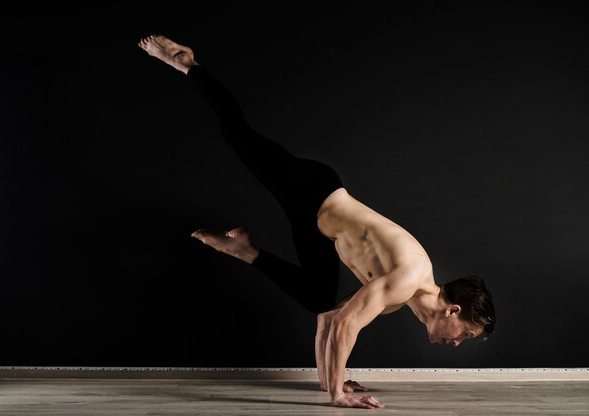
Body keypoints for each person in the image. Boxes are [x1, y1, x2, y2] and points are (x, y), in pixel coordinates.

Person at [138, 34, 497, 410]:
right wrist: (338, 396)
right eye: (465, 334)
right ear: (453, 311)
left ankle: (245, 249)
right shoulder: (408, 277)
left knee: (318, 298)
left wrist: (334, 382)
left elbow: (328, 320)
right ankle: (188, 63)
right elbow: (346, 327)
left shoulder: (400, 297)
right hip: (312, 189)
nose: (457, 343)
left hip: (315, 225)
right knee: (236, 134)